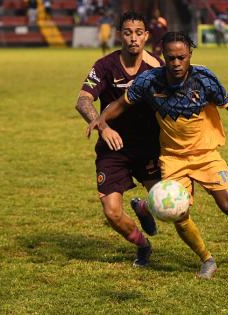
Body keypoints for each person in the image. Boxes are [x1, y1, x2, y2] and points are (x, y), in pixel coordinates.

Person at [88, 31, 228, 279]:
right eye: (171, 58)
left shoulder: (205, 79)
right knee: (178, 213)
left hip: (205, 153)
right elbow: (121, 104)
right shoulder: (149, 81)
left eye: (181, 58)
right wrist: (101, 121)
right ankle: (206, 259)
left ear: (190, 56)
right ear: (163, 56)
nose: (176, 63)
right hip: (173, 158)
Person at [75, 12, 164, 267]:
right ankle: (143, 246)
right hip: (113, 149)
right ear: (119, 35)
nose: (133, 38)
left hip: (148, 147)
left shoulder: (157, 67)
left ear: (146, 36)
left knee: (166, 204)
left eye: (138, 33)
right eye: (127, 33)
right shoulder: (104, 65)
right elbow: (82, 100)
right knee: (112, 213)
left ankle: (144, 207)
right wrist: (103, 127)